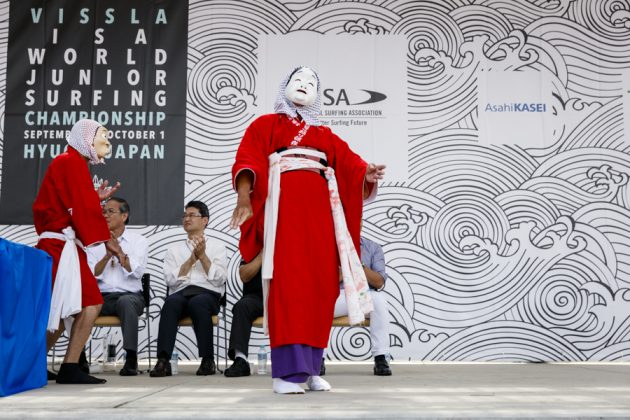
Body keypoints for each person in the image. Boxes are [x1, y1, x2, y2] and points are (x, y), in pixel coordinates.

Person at [230, 66, 385, 394]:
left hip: (321, 217)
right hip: (284, 212)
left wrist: (366, 173)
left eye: (311, 83)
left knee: (321, 286)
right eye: (297, 81)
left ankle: (312, 367)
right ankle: (285, 374)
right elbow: (249, 160)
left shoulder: (326, 135)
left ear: (318, 95)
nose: (304, 86)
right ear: (284, 87)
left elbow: (350, 165)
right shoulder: (265, 125)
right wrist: (245, 196)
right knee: (291, 285)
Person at [33, 118, 123, 384]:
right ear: (86, 138)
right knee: (91, 303)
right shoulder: (71, 162)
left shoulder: (69, 162)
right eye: (102, 136)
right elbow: (81, 210)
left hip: (62, 245)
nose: (107, 141)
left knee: (61, 309)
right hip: (62, 246)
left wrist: (93, 198)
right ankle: (70, 366)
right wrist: (107, 239)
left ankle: (34, 362)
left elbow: (72, 203)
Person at [150, 201, 227, 377]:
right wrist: (191, 260)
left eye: (192, 215)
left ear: (205, 220)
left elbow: (220, 279)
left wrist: (203, 257)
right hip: (181, 293)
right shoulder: (173, 249)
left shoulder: (217, 246)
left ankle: (208, 360)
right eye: (185, 215)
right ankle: (163, 361)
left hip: (207, 294)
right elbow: (170, 280)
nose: (186, 218)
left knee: (198, 303)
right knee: (170, 303)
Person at [87, 197, 148, 376]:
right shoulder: (93, 242)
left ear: (124, 216)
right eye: (103, 212)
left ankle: (131, 359)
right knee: (82, 304)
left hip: (131, 296)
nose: (105, 215)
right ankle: (78, 359)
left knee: (126, 302)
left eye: (111, 211)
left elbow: (137, 273)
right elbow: (92, 275)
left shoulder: (139, 241)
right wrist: (107, 255)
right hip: (102, 297)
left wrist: (119, 252)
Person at [322, 234, 392, 376]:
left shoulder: (373, 247)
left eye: (358, 219)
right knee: (320, 305)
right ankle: (318, 358)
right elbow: (318, 282)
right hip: (337, 295)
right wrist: (340, 275)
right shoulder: (326, 245)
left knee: (378, 299)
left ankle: (381, 358)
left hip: (364, 295)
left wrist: (358, 266)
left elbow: (379, 282)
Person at [224, 251, 263, 377]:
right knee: (241, 306)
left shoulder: (288, 244)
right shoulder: (251, 247)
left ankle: (314, 359)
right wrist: (262, 254)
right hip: (256, 297)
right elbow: (244, 276)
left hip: (282, 296)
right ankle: (240, 360)